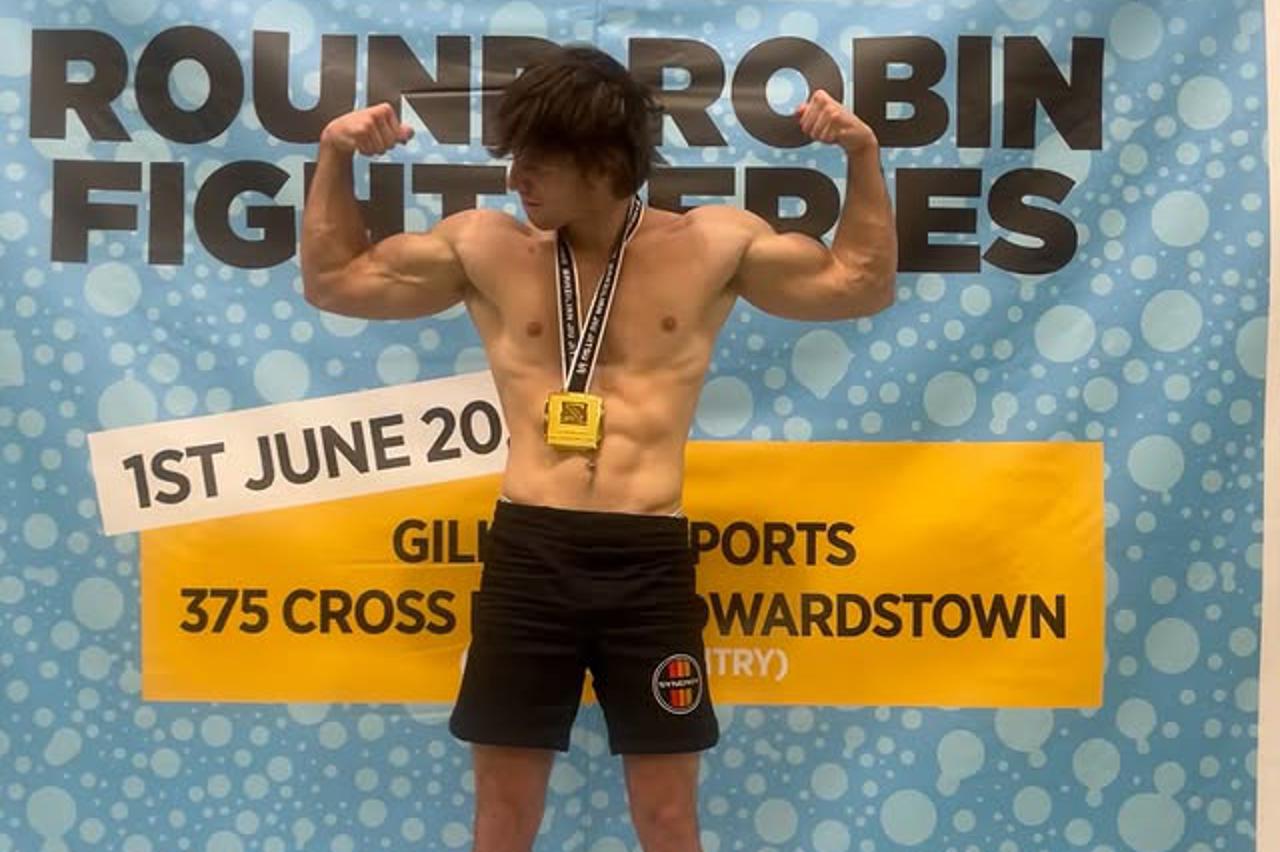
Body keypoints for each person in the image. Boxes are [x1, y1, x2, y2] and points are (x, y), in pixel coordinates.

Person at [300, 44, 896, 852]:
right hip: (529, 555)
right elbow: (333, 281)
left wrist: (861, 154)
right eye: (516, 157)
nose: (517, 178)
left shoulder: (711, 246)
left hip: (647, 562)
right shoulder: (485, 247)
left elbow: (860, 284)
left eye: (538, 161)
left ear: (604, 161)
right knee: (503, 818)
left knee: (667, 818)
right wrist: (335, 154)